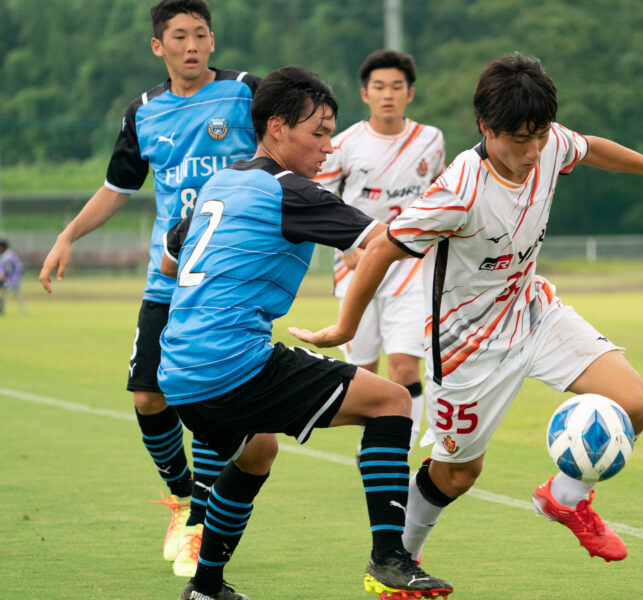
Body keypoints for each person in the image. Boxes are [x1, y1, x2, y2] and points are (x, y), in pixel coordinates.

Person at [293, 53, 643, 583]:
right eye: (518, 139)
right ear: (486, 129)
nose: (533, 151)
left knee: (634, 404)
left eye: (540, 136)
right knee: (459, 473)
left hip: (533, 311)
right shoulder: (457, 190)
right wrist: (346, 327)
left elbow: (593, 148)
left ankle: (564, 498)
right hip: (466, 345)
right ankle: (399, 558)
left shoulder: (547, 142)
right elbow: (379, 251)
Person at [158, 65, 453, 600]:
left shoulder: (218, 183)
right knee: (390, 400)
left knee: (257, 453)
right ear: (277, 128)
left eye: (331, 132)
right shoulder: (291, 192)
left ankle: (205, 589)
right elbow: (384, 242)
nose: (327, 145)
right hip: (232, 365)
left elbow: (169, 262)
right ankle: (391, 558)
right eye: (317, 132)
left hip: (178, 371)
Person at [37, 0, 259, 576]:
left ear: (213, 41)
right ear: (158, 47)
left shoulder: (247, 94)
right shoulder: (144, 113)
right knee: (147, 396)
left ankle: (203, 519)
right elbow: (117, 187)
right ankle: (184, 499)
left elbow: (290, 149)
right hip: (168, 277)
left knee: (211, 397)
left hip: (230, 278)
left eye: (201, 34)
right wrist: (68, 235)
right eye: (179, 36)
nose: (192, 45)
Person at [313, 49, 445, 448]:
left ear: (410, 93)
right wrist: (345, 246)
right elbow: (318, 200)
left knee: (404, 366)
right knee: (364, 371)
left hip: (410, 268)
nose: (388, 94)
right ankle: (371, 446)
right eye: (379, 87)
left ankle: (399, 449)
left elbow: (443, 197)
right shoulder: (344, 144)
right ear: (365, 94)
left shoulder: (431, 140)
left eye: (396, 87)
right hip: (357, 271)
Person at [0, 240, 26, 316]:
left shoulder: (8, 257)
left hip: (10, 281)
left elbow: (8, 270)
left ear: (2, 247)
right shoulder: (9, 255)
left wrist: (3, 277)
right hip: (12, 280)